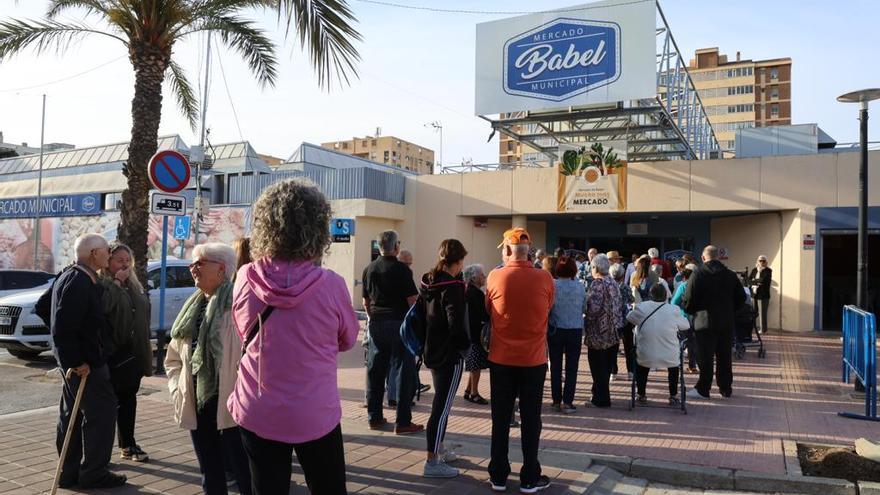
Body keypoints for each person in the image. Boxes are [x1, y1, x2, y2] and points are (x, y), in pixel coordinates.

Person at [227, 179, 359, 495]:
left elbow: (243, 329)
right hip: (315, 410)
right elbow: (348, 339)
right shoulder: (331, 284)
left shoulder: (245, 276)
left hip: (257, 407)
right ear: (318, 227)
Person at [35, 233, 126, 489]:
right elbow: (62, 326)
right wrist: (76, 359)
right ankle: (94, 473)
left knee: (71, 417)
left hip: (78, 363)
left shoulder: (71, 275)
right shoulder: (78, 281)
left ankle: (68, 473)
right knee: (101, 414)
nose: (109, 254)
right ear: (94, 253)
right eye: (106, 251)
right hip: (85, 366)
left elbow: (45, 309)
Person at [164, 243, 252, 495]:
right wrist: (176, 388)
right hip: (197, 400)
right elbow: (172, 358)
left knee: (244, 472)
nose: (192, 269)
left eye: (199, 263)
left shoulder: (239, 306)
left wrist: (244, 395)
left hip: (234, 405)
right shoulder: (191, 308)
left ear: (222, 269)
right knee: (209, 472)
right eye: (192, 263)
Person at [486, 227, 554, 493]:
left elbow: (488, 310)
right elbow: (548, 307)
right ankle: (529, 476)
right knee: (531, 419)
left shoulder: (494, 276)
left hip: (501, 358)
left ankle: (499, 475)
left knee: (500, 418)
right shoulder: (545, 278)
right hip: (533, 360)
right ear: (529, 253)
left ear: (506, 250)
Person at [362, 231, 423, 434]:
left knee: (375, 372)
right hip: (399, 323)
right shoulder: (401, 269)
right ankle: (403, 422)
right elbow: (412, 299)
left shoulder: (369, 269)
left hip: (377, 324)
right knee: (403, 373)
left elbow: (365, 302)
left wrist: (374, 318)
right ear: (396, 246)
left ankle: (374, 418)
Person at [420, 239, 470, 478]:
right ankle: (432, 461)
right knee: (441, 407)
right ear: (458, 261)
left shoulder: (430, 281)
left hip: (432, 349)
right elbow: (456, 323)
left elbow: (421, 316)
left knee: (442, 404)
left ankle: (438, 448)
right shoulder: (453, 286)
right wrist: (465, 348)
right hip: (449, 354)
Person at [98, 243, 152, 463]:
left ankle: (128, 444)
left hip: (132, 354)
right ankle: (100, 454)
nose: (125, 264)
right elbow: (104, 307)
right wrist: (117, 282)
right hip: (112, 355)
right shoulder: (103, 284)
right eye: (119, 260)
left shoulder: (135, 285)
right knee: (107, 404)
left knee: (128, 400)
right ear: (108, 262)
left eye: (127, 260)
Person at [684, 246, 746, 400]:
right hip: (725, 321)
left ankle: (703, 389)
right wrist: (731, 311)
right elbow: (742, 298)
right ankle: (725, 388)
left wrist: (694, 312)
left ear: (703, 258)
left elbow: (688, 299)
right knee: (724, 356)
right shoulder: (731, 275)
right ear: (718, 257)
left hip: (704, 322)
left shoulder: (698, 274)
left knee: (705, 357)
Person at [628, 284, 690, 406]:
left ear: (650, 295)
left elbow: (630, 318)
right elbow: (686, 325)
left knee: (642, 366)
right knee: (674, 367)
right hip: (669, 356)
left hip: (646, 354)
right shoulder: (674, 309)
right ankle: (673, 395)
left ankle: (641, 394)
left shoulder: (642, 307)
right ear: (665, 296)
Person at [584, 254, 623, 408]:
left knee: (597, 366)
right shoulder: (613, 282)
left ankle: (601, 399)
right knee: (606, 366)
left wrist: (585, 312)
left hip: (599, 333)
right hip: (613, 331)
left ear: (596, 268)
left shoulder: (597, 284)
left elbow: (593, 309)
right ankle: (599, 394)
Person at [548, 256, 585, 414]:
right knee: (572, 367)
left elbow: (548, 306)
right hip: (575, 329)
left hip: (556, 329)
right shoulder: (580, 286)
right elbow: (584, 307)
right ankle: (568, 402)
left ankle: (556, 401)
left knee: (555, 366)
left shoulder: (553, 285)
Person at [463, 264, 490, 406]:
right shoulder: (476, 294)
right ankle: (474, 393)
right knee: (476, 366)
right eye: (482, 275)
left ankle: (468, 390)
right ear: (474, 278)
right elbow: (484, 314)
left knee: (474, 364)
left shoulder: (468, 291)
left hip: (470, 334)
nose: (484, 277)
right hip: (475, 335)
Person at [671, 263, 699, 373]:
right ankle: (693, 366)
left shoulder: (683, 286)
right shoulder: (701, 285)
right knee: (695, 343)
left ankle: (678, 365)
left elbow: (674, 303)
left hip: (685, 318)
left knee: (682, 342)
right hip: (700, 318)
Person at [610, 263, 635, 380]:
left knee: (613, 347)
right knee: (629, 347)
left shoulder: (609, 286)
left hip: (613, 320)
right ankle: (631, 371)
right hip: (626, 319)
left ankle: (613, 372)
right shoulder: (625, 287)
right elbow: (631, 300)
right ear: (622, 275)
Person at [749, 255, 772, 333]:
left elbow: (764, 280)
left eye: (763, 261)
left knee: (762, 313)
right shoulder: (754, 270)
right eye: (760, 261)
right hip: (754, 294)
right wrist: (755, 282)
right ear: (757, 261)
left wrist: (755, 280)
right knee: (753, 312)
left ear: (766, 262)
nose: (762, 262)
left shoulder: (768, 270)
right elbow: (749, 280)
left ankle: (763, 330)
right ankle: (751, 328)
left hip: (763, 296)